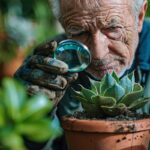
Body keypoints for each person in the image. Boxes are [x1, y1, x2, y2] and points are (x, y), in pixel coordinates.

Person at [15, 0, 150, 149]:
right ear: (63, 24)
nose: (98, 54)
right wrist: (33, 115)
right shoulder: (48, 65)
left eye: (112, 28)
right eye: (79, 32)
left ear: (140, 17)